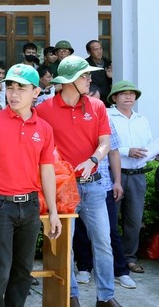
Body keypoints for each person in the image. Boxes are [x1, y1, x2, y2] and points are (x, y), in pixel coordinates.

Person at [0, 64, 62, 307]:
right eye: (10, 87)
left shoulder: (44, 128)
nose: (14, 93)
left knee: (23, 272)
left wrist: (52, 211)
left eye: (21, 88)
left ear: (35, 92)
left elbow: (47, 170)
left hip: (30, 206)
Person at [35, 55, 119, 307]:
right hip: (61, 188)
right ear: (71, 80)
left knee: (103, 241)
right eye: (85, 75)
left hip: (93, 184)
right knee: (64, 245)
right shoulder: (43, 109)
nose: (90, 79)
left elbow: (105, 143)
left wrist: (94, 158)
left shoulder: (97, 106)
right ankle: (69, 296)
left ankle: (106, 297)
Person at [74, 84, 136, 290]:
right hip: (75, 183)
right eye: (92, 98)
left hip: (103, 183)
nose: (95, 103)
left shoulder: (104, 118)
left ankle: (120, 271)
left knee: (109, 231)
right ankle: (84, 267)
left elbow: (114, 152)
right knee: (81, 231)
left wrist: (117, 181)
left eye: (98, 99)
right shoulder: (70, 119)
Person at [107, 80, 153, 275]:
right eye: (123, 93)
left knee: (134, 220)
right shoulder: (108, 116)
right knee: (110, 219)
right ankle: (109, 259)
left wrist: (153, 152)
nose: (128, 96)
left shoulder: (141, 119)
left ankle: (129, 258)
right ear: (114, 98)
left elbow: (149, 143)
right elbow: (104, 143)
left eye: (132, 94)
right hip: (114, 174)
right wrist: (127, 151)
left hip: (138, 175)